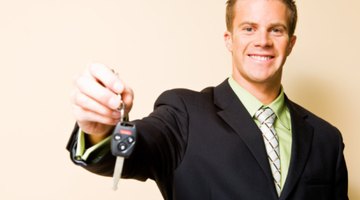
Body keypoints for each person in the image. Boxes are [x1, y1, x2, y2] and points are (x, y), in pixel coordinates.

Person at [67, 0, 348, 199]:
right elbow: (137, 149)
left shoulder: (327, 139)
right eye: (249, 28)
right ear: (229, 39)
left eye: (276, 29)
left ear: (291, 43)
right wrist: (98, 131)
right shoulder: (183, 114)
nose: (262, 40)